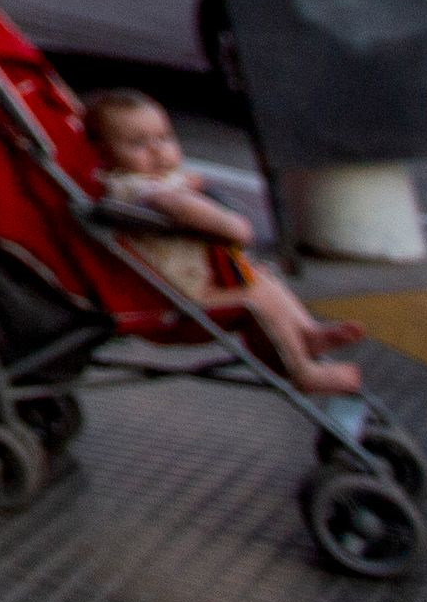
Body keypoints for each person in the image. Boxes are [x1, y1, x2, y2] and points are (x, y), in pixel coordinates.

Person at [80, 90, 365, 395]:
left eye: (164, 138)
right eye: (138, 144)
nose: (158, 151)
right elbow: (175, 204)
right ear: (104, 152)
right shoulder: (137, 189)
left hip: (193, 280)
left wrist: (190, 183)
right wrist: (232, 226)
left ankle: (308, 333)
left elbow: (177, 187)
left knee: (263, 281)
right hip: (178, 294)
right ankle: (302, 371)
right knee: (254, 300)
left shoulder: (147, 179)